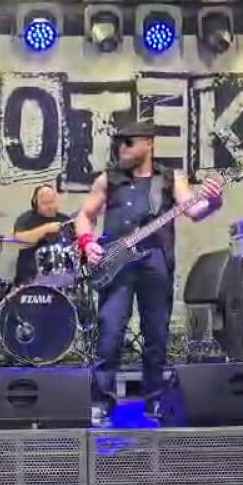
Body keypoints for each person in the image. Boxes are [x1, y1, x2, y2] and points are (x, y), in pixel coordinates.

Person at [75, 121, 224, 424]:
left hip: (156, 261)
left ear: (149, 143)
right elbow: (85, 215)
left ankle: (154, 399)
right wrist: (88, 243)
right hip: (115, 264)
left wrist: (213, 200)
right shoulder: (109, 179)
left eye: (129, 142)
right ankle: (101, 400)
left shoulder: (170, 178)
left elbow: (195, 211)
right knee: (110, 334)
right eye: (120, 143)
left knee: (156, 334)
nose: (122, 148)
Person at [11, 184, 70, 284]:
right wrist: (45, 229)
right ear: (35, 203)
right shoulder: (26, 219)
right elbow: (19, 241)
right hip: (30, 276)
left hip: (60, 275)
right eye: (45, 203)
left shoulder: (65, 220)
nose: (50, 206)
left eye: (52, 202)